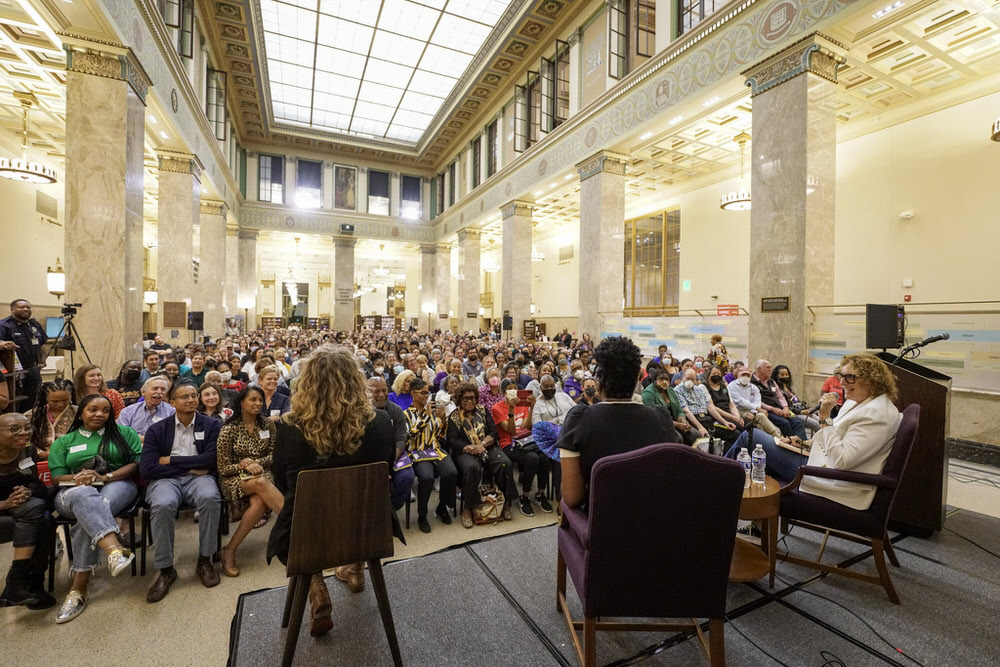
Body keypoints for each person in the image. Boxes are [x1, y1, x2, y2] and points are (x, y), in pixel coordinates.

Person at [268, 345, 397, 638]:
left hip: (306, 539)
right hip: (369, 532)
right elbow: (385, 470)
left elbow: (283, 485)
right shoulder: (380, 423)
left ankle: (315, 585)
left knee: (304, 522)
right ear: (356, 381)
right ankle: (355, 568)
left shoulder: (290, 428)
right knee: (352, 508)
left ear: (307, 383)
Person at [727, 354, 902, 511]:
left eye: (850, 377)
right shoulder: (858, 402)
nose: (841, 383)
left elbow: (842, 461)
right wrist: (804, 443)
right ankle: (751, 512)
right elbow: (839, 437)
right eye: (842, 376)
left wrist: (824, 417)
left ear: (871, 379)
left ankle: (716, 482)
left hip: (832, 479)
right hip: (820, 462)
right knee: (760, 451)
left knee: (749, 437)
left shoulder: (876, 414)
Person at [49, 393, 142, 623]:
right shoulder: (64, 441)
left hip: (116, 484)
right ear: (81, 412)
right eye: (93, 410)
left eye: (105, 411)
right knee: (85, 498)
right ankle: (114, 550)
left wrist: (104, 475)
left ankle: (78, 588)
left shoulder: (124, 433)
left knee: (89, 515)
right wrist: (80, 477)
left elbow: (134, 463)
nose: (100, 414)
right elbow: (57, 478)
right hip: (71, 491)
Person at [557, 337, 680, 509]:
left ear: (600, 381)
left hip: (602, 524)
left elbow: (572, 497)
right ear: (637, 379)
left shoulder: (579, 419)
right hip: (653, 520)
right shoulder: (661, 418)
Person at [139, 383, 222, 602]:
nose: (191, 399)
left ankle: (205, 560)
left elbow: (212, 460)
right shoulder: (157, 429)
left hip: (199, 478)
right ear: (172, 403)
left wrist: (173, 460)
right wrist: (190, 467)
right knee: (163, 505)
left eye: (194, 395)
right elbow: (147, 468)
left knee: (210, 498)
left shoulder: (212, 425)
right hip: (165, 480)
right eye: (184, 396)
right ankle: (166, 569)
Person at [215, 386, 282, 578]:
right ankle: (299, 528)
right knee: (260, 483)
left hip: (263, 474)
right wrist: (243, 466)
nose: (258, 403)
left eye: (260, 400)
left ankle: (229, 549)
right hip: (234, 479)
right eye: (253, 400)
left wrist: (254, 463)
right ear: (241, 403)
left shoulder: (268, 425)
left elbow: (274, 455)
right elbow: (223, 468)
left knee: (260, 499)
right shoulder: (229, 429)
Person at [0, 412, 55, 610]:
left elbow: (34, 481)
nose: (23, 433)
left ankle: (28, 583)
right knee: (40, 516)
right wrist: (4, 504)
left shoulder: (27, 450)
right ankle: (23, 584)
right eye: (14, 429)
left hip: (20, 505)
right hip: (4, 507)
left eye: (26, 428)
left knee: (44, 516)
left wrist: (28, 490)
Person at [445, 382, 514, 528]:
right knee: (472, 467)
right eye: (465, 398)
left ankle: (505, 502)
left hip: (486, 446)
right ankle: (468, 507)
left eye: (472, 398)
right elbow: (453, 440)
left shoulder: (483, 411)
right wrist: (471, 448)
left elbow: (493, 432)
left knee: (505, 463)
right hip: (465, 450)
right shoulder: (454, 416)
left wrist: (482, 445)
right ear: (459, 399)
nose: (469, 401)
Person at [402, 379, 457, 533]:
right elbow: (409, 436)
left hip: (434, 449)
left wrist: (442, 420)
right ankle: (422, 515)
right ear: (413, 393)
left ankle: (441, 507)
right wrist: (426, 417)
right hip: (417, 452)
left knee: (451, 473)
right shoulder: (406, 414)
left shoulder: (431, 411)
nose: (427, 396)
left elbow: (439, 435)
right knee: (426, 477)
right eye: (423, 393)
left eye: (428, 392)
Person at [493, 378, 550, 517]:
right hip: (509, 444)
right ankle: (525, 496)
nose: (513, 391)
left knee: (544, 455)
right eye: (509, 389)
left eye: (515, 388)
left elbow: (524, 427)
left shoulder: (522, 405)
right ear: (503, 392)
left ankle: (540, 493)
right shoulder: (497, 408)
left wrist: (531, 408)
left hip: (526, 441)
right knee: (532, 458)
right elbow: (511, 431)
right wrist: (511, 410)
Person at [674, 368, 740, 449]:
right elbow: (686, 411)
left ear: (695, 380)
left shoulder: (698, 389)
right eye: (688, 378)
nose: (690, 381)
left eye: (693, 379)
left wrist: (724, 422)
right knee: (706, 440)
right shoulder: (677, 390)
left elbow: (709, 407)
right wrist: (700, 427)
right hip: (694, 420)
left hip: (707, 420)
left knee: (734, 434)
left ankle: (725, 458)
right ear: (683, 377)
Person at [0, 299, 47, 411]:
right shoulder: (4, 325)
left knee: (35, 400)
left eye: (28, 307)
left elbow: (43, 345)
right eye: (21, 307)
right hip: (13, 372)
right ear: (12, 309)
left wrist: (42, 361)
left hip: (33, 370)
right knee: (14, 404)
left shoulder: (34, 325)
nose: (26, 309)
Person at [751, 360, 807, 439]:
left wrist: (785, 408)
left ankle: (802, 444)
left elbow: (780, 396)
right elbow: (756, 401)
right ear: (759, 369)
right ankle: (790, 445)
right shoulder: (752, 383)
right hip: (768, 410)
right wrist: (773, 409)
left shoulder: (771, 381)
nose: (770, 369)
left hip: (780, 408)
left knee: (798, 422)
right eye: (768, 367)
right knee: (785, 423)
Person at [641, 369, 697, 445]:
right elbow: (654, 416)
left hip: (675, 422)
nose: (664, 381)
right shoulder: (648, 393)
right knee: (677, 438)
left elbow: (679, 410)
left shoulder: (670, 390)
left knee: (695, 435)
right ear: (654, 380)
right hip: (659, 425)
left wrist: (682, 420)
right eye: (661, 379)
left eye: (666, 379)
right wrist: (677, 425)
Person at [24, 378, 76, 460]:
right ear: (46, 398)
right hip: (39, 458)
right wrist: (40, 453)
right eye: (54, 401)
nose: (60, 404)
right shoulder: (33, 415)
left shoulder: (79, 413)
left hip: (71, 457)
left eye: (65, 400)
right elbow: (24, 439)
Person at [726, 365, 783, 438]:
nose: (745, 377)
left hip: (752, 411)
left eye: (748, 375)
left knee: (760, 422)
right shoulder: (732, 386)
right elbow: (741, 401)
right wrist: (757, 409)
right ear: (738, 375)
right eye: (743, 375)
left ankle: (772, 440)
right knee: (761, 416)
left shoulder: (754, 388)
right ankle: (777, 437)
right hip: (737, 411)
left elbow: (757, 402)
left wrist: (754, 411)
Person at [773, 364, 822, 433]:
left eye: (787, 374)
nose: (785, 377)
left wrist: (807, 409)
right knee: (816, 424)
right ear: (777, 376)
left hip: (801, 411)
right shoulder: (778, 391)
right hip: (794, 414)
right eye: (782, 375)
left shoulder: (789, 389)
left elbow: (797, 402)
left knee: (821, 421)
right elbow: (786, 407)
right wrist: (801, 412)